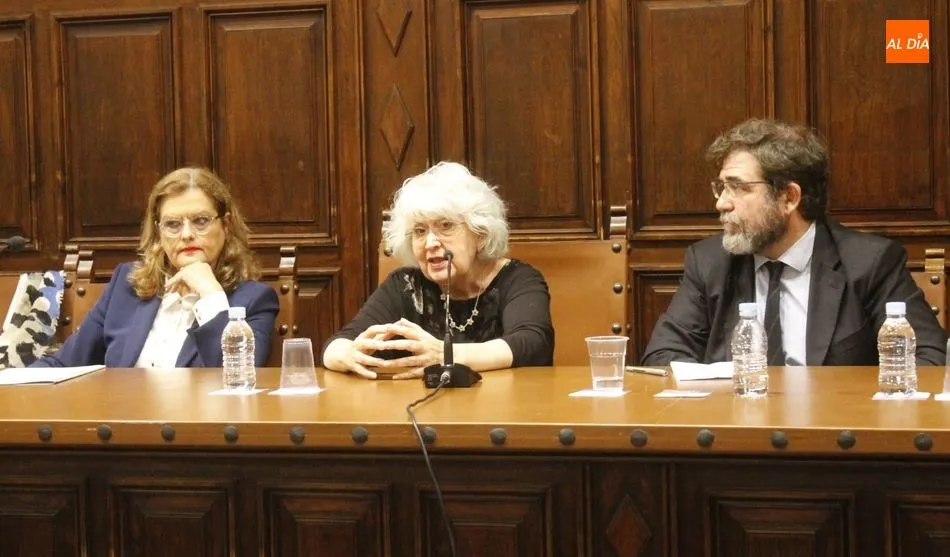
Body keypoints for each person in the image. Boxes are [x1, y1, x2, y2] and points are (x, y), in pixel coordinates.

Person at [642, 118, 946, 366]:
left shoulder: (869, 263)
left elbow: (930, 358)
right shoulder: (710, 262)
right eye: (721, 188)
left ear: (788, 198)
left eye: (738, 188)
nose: (722, 203)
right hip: (736, 432)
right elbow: (662, 357)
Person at [321, 161, 554, 379]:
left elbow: (533, 343)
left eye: (446, 226)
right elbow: (336, 346)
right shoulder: (406, 285)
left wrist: (445, 355)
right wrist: (350, 354)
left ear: (480, 235)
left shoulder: (518, 279)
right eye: (420, 231)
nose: (430, 243)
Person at [31, 168, 279, 368]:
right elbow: (64, 363)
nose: (186, 234)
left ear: (225, 226)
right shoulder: (125, 286)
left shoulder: (254, 301)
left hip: (196, 428)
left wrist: (211, 294)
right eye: (172, 224)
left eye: (200, 221)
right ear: (159, 232)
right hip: (121, 426)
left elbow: (239, 376)